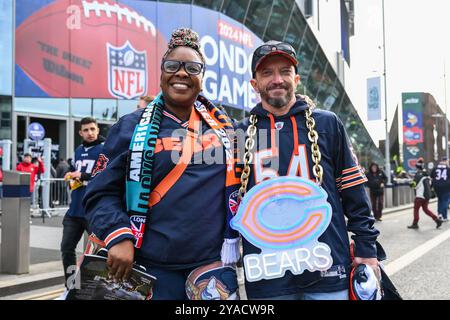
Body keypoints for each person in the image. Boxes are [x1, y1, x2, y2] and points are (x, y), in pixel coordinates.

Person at [82, 28, 239, 300]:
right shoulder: (129, 128)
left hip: (209, 270)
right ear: (161, 73)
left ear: (202, 77)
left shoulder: (227, 129)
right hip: (149, 268)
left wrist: (299, 108)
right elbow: (99, 192)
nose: (181, 73)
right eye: (172, 65)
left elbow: (267, 145)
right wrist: (118, 236)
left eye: (192, 67)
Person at [229, 40, 380, 300]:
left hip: (327, 268)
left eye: (284, 72)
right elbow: (228, 199)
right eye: (267, 73)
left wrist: (367, 249)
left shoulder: (327, 124)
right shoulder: (240, 135)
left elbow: (354, 192)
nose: (277, 80)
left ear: (296, 79)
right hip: (267, 275)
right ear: (254, 84)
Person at [60, 117, 105, 291]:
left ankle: (94, 290)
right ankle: (71, 286)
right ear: (80, 132)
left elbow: (106, 175)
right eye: (86, 130)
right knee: (67, 249)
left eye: (93, 129)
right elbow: (73, 170)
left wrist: (82, 175)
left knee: (98, 255)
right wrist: (71, 174)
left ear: (98, 130)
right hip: (74, 211)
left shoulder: (104, 149)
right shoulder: (78, 150)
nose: (90, 133)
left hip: (94, 211)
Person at [408, 158, 443, 229]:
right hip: (427, 195)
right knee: (426, 209)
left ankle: (415, 223)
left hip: (420, 195)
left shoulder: (418, 175)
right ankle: (437, 220)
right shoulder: (426, 174)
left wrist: (410, 183)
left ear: (417, 167)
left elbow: (414, 185)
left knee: (416, 209)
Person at [431, 157, 450, 222]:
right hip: (446, 186)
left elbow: (431, 177)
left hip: (437, 187)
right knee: (445, 201)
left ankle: (439, 214)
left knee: (440, 200)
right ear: (446, 161)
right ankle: (444, 216)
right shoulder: (448, 169)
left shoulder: (435, 168)